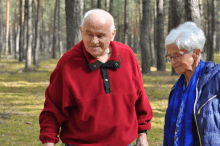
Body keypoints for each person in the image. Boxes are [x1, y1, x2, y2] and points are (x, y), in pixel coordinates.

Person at [39, 9, 153, 146]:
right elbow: (53, 109)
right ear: (81, 31)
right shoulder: (68, 64)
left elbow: (140, 99)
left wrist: (142, 135)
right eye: (88, 34)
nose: (94, 41)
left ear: (113, 34)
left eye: (100, 36)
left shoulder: (127, 55)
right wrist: (48, 141)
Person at [163, 21, 220, 146]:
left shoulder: (216, 79)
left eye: (177, 55)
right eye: (170, 57)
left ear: (196, 53)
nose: (172, 62)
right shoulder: (177, 88)